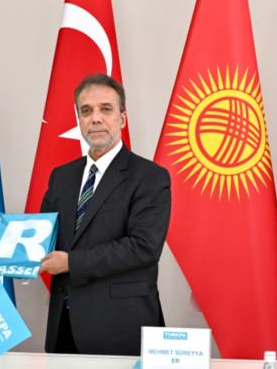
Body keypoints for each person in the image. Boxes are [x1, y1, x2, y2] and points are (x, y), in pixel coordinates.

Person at [39, 74, 171, 356]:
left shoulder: (150, 177)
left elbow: (143, 247)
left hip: (121, 328)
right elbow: (41, 237)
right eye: (86, 111)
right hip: (64, 328)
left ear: (122, 118)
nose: (95, 118)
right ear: (79, 119)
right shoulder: (61, 177)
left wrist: (71, 262)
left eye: (105, 109)